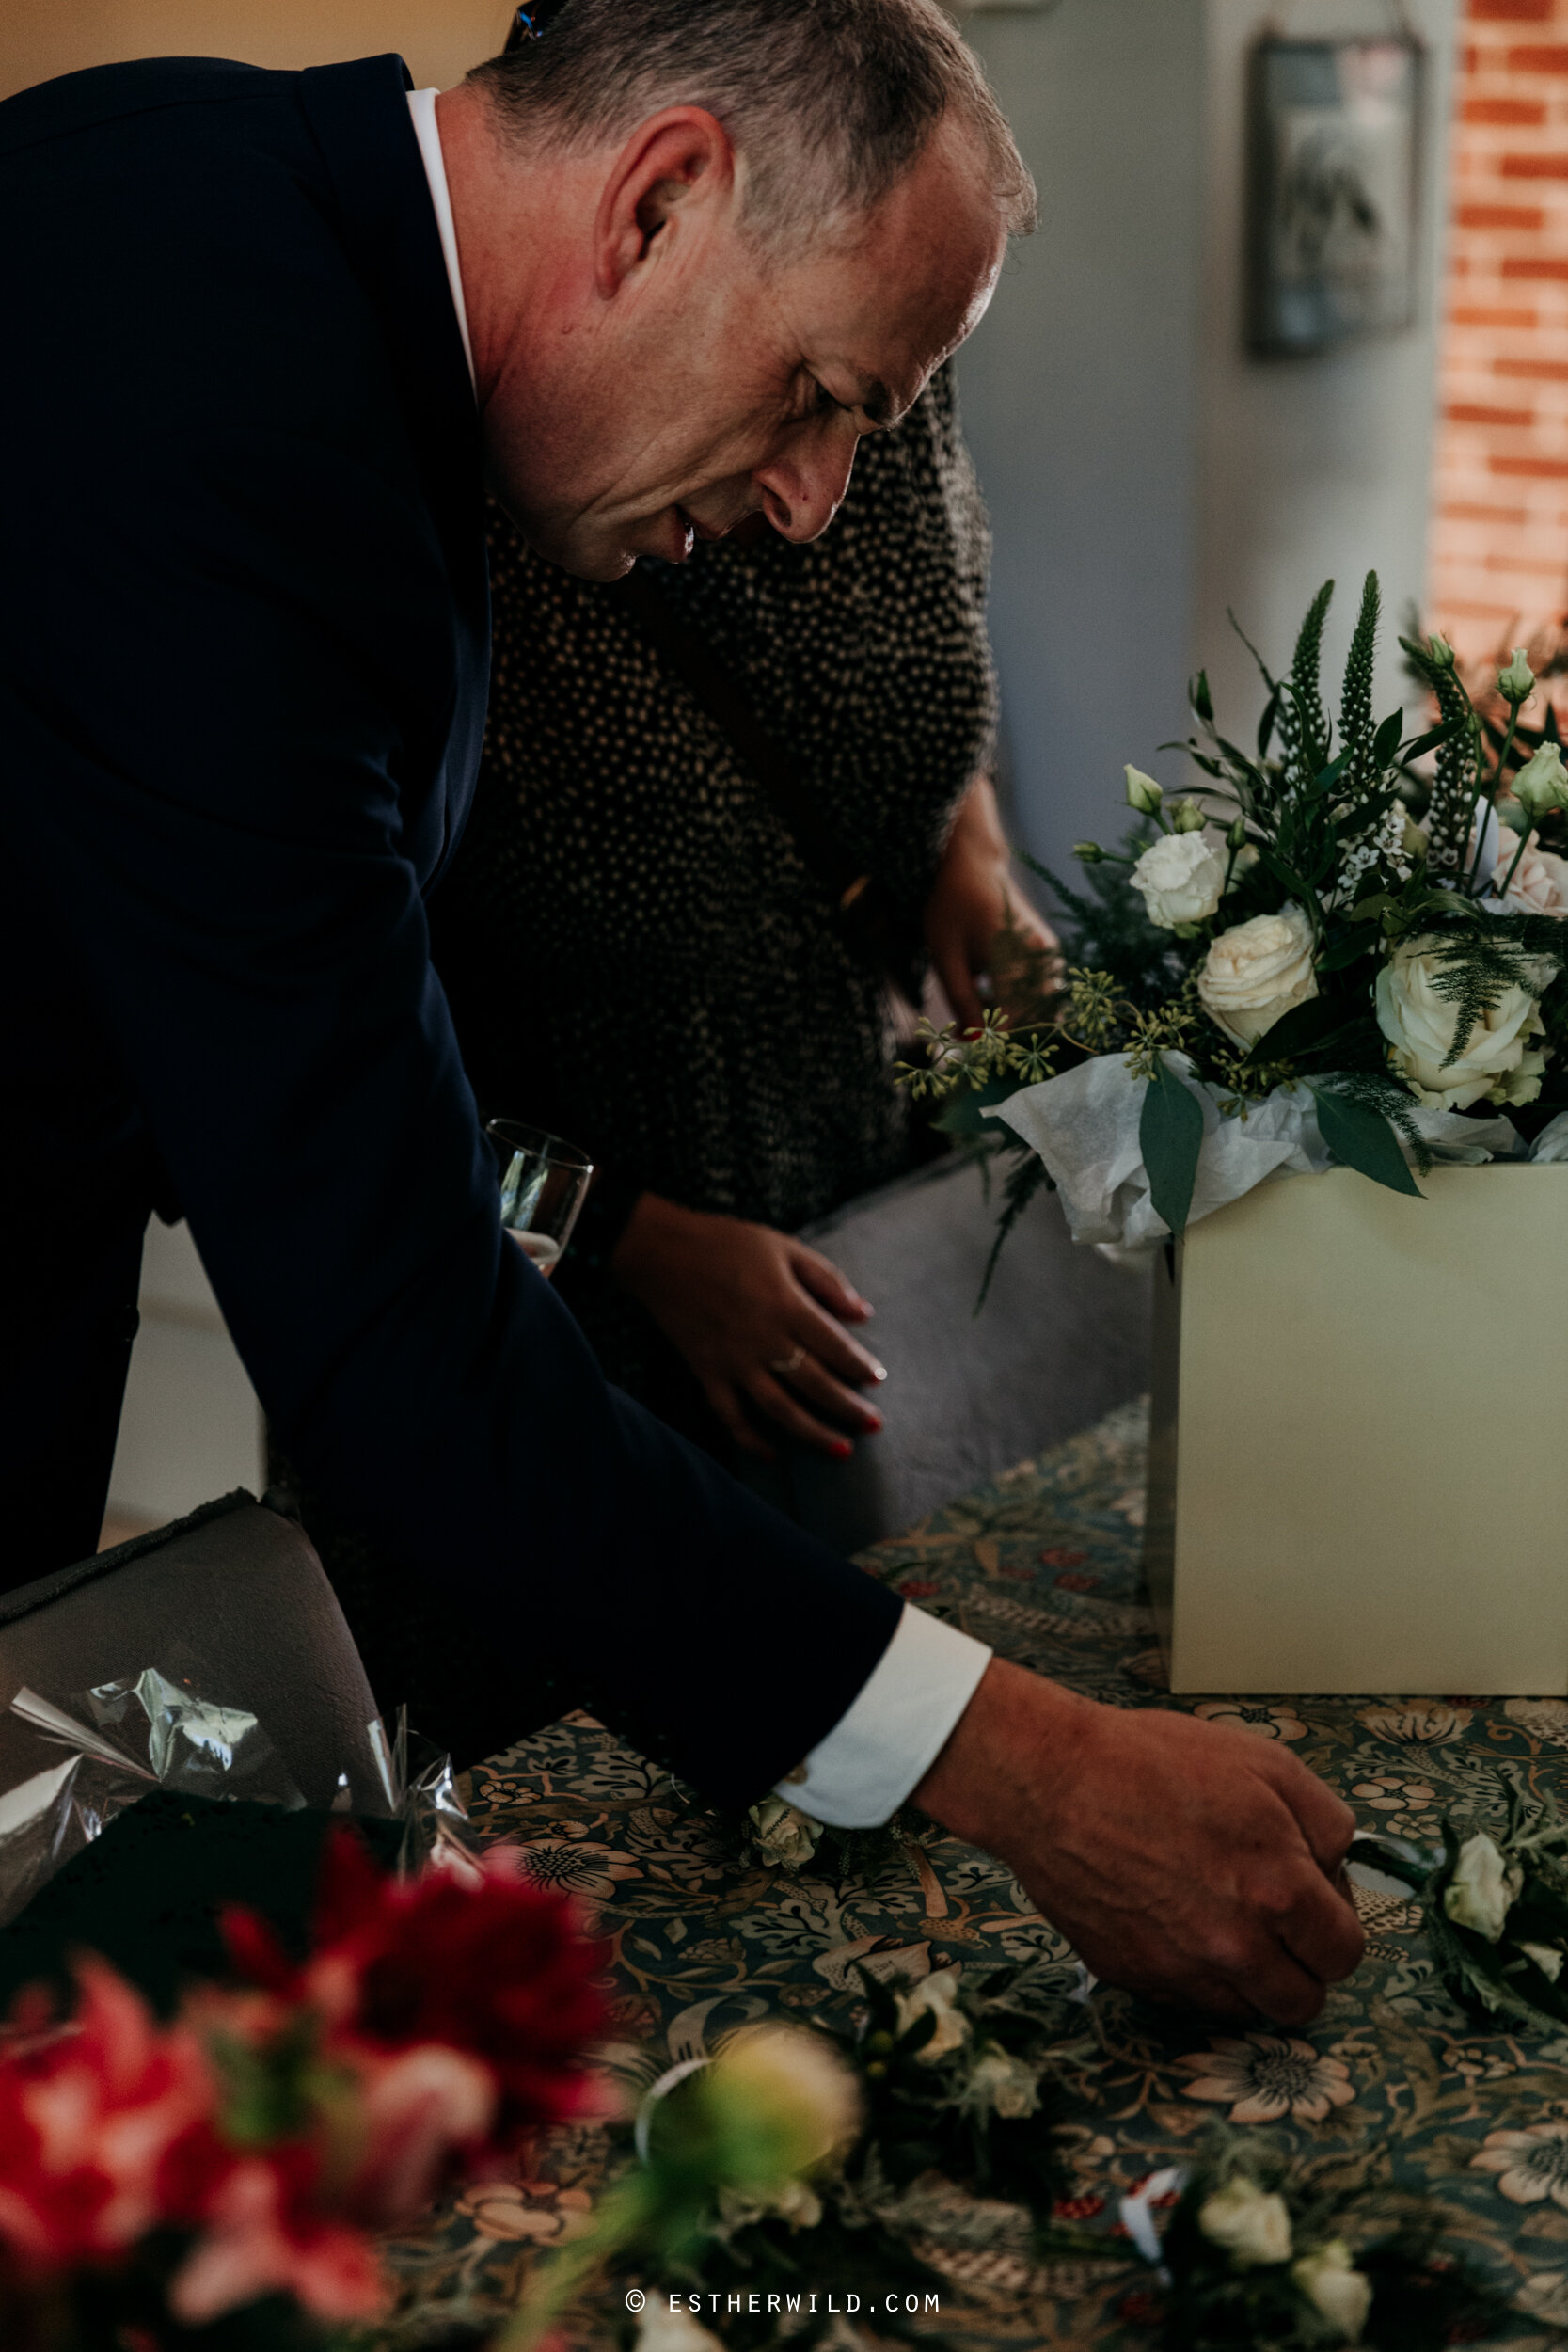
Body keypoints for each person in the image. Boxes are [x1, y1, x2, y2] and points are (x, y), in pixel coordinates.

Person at [0, 0, 1363, 2026]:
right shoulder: (229, 419)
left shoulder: (226, 194)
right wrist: (1038, 1770)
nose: (817, 499)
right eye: (814, 392)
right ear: (658, 199)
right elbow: (398, 1330)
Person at [433, 358, 1052, 1467]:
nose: (814, 496)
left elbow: (939, 646)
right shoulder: (463, 441)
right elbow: (336, 1047)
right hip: (554, 1297)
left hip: (865, 1190)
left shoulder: (895, 366)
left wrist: (973, 851)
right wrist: (634, 1244)